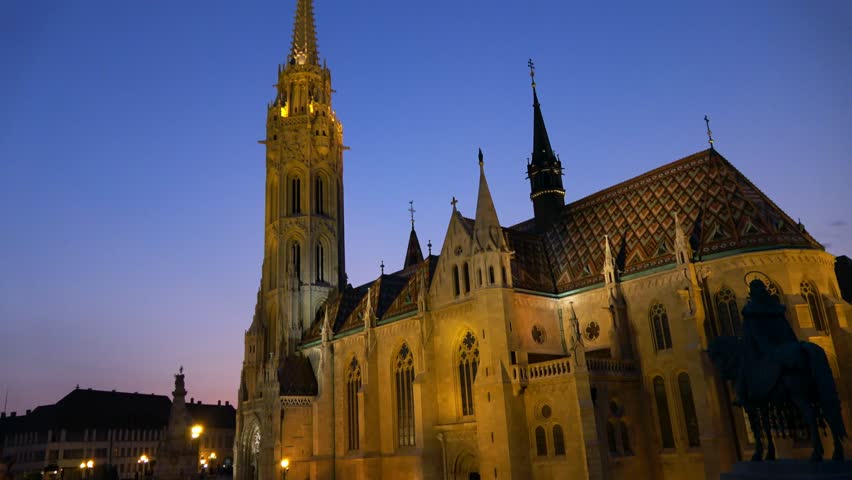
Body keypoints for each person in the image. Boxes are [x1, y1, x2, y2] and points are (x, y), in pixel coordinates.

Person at [734, 279, 799, 405]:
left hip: (765, 344)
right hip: (787, 340)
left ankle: (742, 397)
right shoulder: (775, 305)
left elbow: (750, 332)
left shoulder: (751, 309)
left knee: (743, 365)